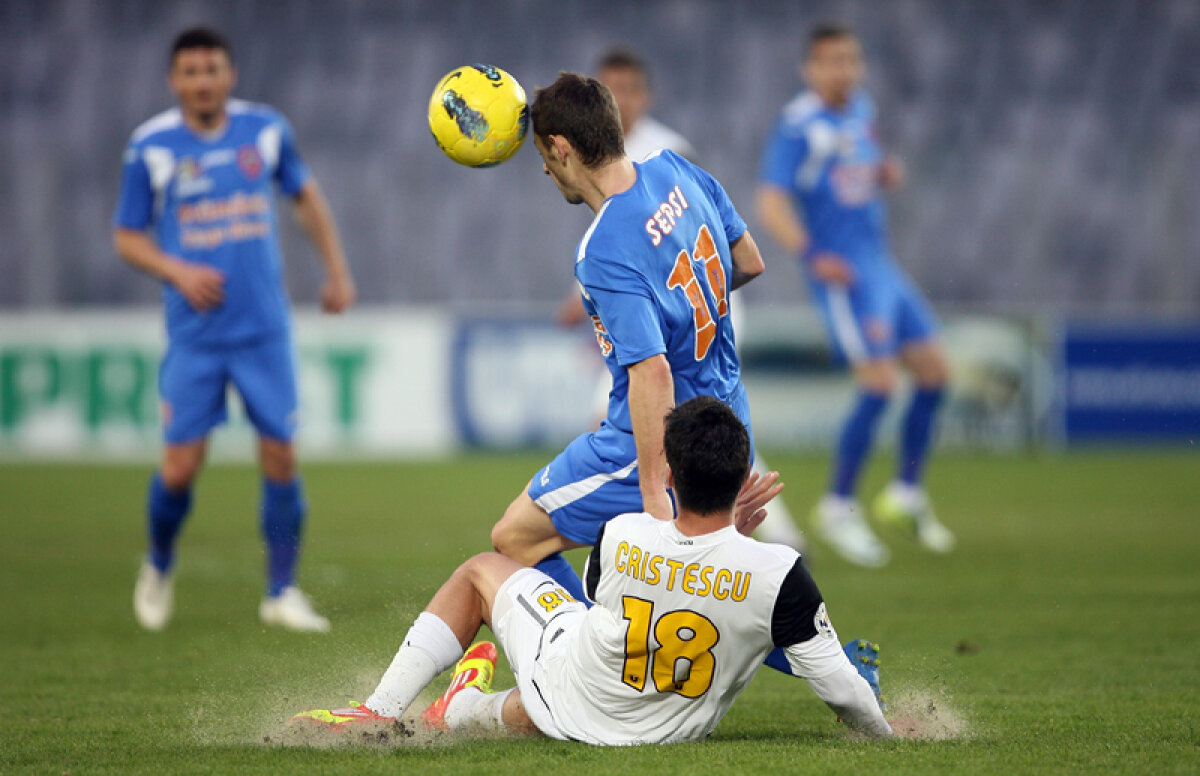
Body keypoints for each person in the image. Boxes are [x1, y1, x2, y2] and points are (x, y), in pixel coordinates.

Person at [292, 396, 894, 744]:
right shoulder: (779, 572)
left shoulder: (622, 533)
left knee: (481, 570)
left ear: (670, 476)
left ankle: (381, 710)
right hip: (668, 731)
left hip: (579, 701)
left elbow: (608, 605)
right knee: (581, 688)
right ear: (742, 478)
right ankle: (457, 708)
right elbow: (846, 693)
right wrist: (888, 737)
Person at [487, 72, 767, 608]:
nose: (544, 169)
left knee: (515, 538)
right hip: (731, 418)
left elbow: (652, 372)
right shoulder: (674, 169)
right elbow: (750, 261)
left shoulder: (604, 249)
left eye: (543, 155)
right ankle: (813, 647)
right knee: (698, 589)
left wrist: (653, 494)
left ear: (562, 148)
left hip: (663, 441)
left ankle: (588, 642)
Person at [113, 26, 355, 632]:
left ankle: (281, 591)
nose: (202, 81)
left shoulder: (265, 131)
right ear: (174, 81)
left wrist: (336, 271)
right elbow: (127, 235)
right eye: (190, 72)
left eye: (212, 69)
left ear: (231, 75)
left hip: (263, 329)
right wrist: (177, 271)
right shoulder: (151, 146)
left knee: (281, 454)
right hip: (195, 335)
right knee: (179, 467)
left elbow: (306, 199)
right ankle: (159, 562)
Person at [555, 50, 806, 551]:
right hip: (668, 307)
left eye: (629, 89)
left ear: (644, 96)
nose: (621, 100)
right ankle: (759, 534)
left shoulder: (664, 150)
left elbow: (674, 242)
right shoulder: (601, 154)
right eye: (611, 90)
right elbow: (623, 256)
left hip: (695, 306)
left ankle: (644, 543)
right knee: (703, 430)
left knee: (655, 431)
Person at [757, 23, 955, 568]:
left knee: (935, 373)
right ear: (810, 68)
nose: (842, 70)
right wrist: (810, 253)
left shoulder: (861, 110)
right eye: (830, 61)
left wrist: (882, 173)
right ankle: (837, 508)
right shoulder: (799, 125)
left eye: (850, 59)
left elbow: (851, 175)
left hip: (882, 266)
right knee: (880, 384)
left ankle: (905, 495)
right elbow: (771, 200)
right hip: (846, 276)